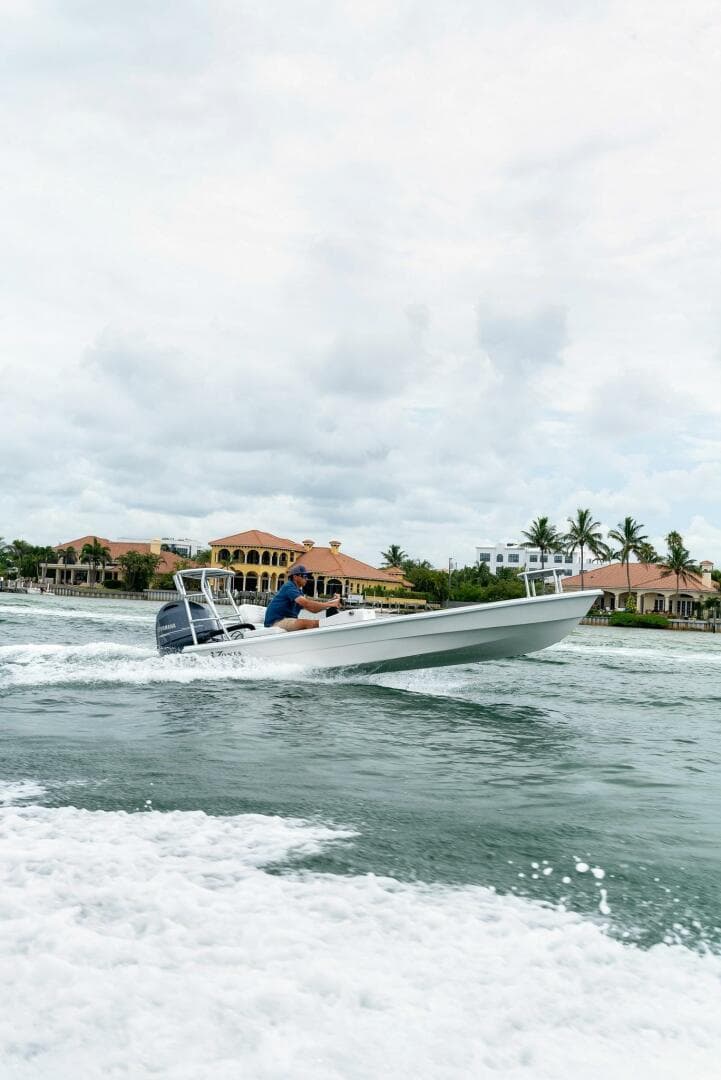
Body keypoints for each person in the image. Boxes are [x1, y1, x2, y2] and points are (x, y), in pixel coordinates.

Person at [264, 565, 341, 631]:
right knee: (307, 624)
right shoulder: (289, 587)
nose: (306, 579)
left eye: (307, 577)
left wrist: (331, 602)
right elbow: (307, 604)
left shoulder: (298, 592)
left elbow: (313, 609)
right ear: (295, 577)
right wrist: (329, 604)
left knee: (313, 623)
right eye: (304, 576)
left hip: (286, 619)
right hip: (275, 622)